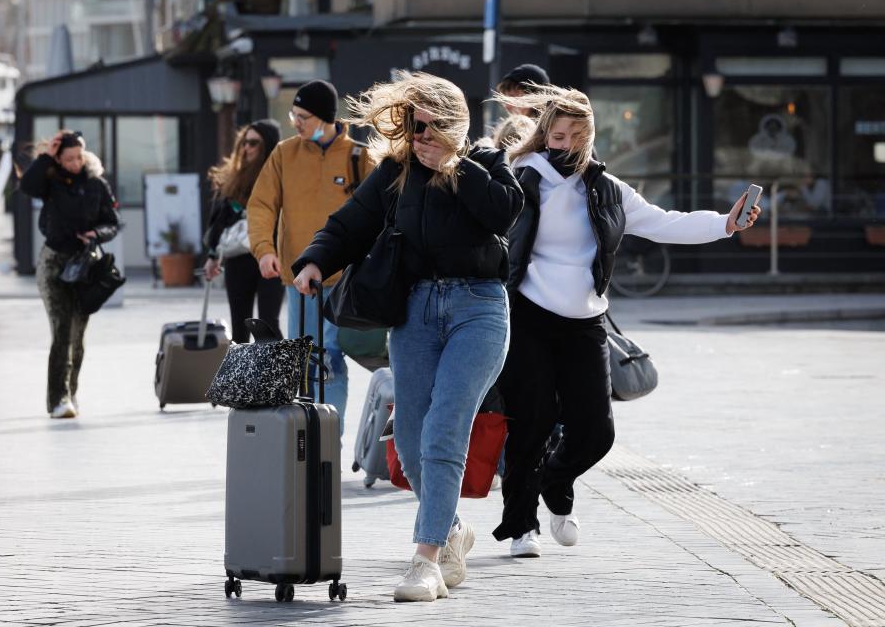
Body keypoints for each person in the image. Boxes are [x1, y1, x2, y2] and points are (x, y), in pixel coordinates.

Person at [489, 85, 761, 558]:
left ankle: (553, 483)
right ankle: (521, 526)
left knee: (597, 432)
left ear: (589, 136)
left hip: (585, 320)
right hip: (529, 314)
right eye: (557, 134)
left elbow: (665, 222)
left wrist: (726, 224)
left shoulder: (606, 189)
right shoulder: (518, 177)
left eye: (577, 134)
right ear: (544, 135)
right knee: (530, 424)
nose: (567, 143)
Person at [292, 71, 524, 602]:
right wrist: (314, 260)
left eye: (430, 128)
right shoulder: (396, 172)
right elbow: (350, 224)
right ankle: (451, 529)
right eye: (414, 127)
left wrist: (453, 165)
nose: (420, 138)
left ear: (452, 125)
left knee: (445, 426)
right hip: (415, 312)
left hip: (479, 309)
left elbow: (504, 214)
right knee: (413, 442)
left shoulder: (486, 162)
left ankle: (425, 562)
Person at [247, 80, 374, 432]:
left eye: (303, 116)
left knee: (329, 356)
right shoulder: (284, 154)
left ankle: (328, 436)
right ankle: (310, 432)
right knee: (305, 359)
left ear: (325, 118)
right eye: (294, 115)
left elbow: (379, 213)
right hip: (299, 280)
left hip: (345, 279)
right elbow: (261, 206)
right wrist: (264, 249)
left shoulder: (359, 156)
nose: (296, 123)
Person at [19, 131, 121, 419]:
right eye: (68, 159)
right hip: (53, 263)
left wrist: (96, 233)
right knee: (62, 329)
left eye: (78, 157)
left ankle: (70, 391)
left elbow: (112, 223)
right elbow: (27, 186)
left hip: (83, 266)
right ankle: (58, 400)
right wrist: (46, 158)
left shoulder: (97, 183)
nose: (75, 163)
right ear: (59, 159)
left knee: (78, 336)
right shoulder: (49, 182)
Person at [204, 120, 285, 342]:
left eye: (253, 143)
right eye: (243, 143)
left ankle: (278, 375)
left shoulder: (280, 174)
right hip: (238, 257)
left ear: (268, 145)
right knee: (240, 323)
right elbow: (218, 220)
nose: (246, 148)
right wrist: (212, 256)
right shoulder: (233, 177)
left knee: (268, 322)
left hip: (271, 256)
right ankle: (244, 377)